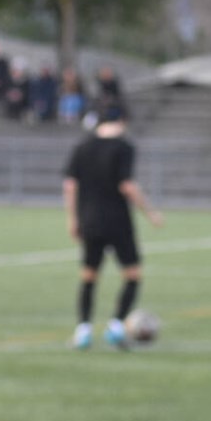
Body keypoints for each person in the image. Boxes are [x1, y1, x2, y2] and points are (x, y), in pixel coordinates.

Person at [62, 103, 164, 350]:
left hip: (89, 219)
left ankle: (83, 329)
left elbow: (70, 185)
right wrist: (150, 212)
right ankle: (116, 326)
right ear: (124, 120)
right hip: (118, 220)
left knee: (89, 275)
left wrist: (73, 218)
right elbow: (127, 185)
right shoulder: (124, 146)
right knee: (132, 275)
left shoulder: (82, 146)